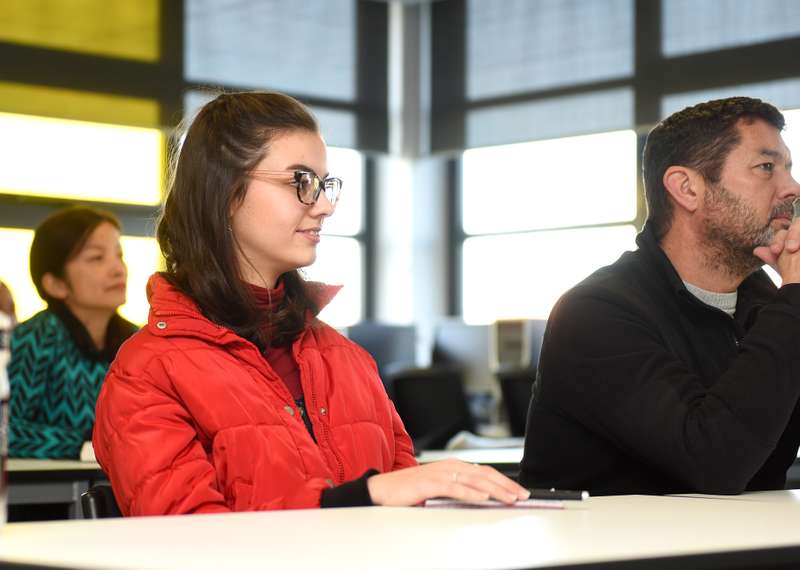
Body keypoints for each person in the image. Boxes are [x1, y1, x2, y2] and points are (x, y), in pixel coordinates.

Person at [93, 91, 529, 515]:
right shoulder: (147, 372)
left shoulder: (348, 360)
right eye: (300, 182)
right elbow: (183, 537)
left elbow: (402, 506)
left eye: (324, 184)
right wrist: (363, 496)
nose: (324, 206)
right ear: (224, 193)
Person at [521, 97, 800, 496]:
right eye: (766, 167)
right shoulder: (595, 314)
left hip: (743, 547)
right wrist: (794, 300)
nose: (792, 188)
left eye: (788, 168)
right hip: (619, 555)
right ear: (687, 188)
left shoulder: (765, 300)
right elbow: (714, 461)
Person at [8, 207, 137, 459]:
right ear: (56, 284)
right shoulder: (35, 338)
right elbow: (6, 429)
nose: (118, 269)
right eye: (96, 258)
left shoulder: (138, 342)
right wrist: (83, 446)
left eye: (118, 255)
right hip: (47, 495)